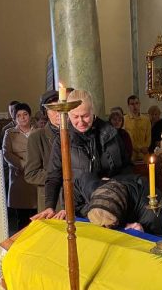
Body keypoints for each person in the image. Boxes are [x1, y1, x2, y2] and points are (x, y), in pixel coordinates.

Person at [33, 89, 131, 220]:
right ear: (68, 114)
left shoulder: (110, 134)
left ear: (93, 111)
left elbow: (126, 168)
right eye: (75, 117)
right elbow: (54, 176)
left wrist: (114, 184)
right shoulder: (63, 139)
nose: (81, 122)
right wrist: (49, 206)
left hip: (109, 204)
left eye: (85, 116)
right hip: (77, 208)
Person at [82, 175, 162, 237]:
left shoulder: (152, 213)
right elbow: (80, 181)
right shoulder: (95, 190)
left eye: (110, 226)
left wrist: (144, 232)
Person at [25, 90, 62, 211]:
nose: (58, 113)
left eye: (61, 108)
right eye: (53, 109)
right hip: (52, 201)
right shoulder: (37, 137)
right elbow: (31, 174)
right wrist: (59, 175)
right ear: (46, 112)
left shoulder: (75, 132)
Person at [3, 102, 37, 232]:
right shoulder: (10, 133)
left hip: (36, 177)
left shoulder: (38, 131)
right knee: (22, 220)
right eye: (19, 115)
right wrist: (22, 164)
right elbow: (6, 153)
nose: (22, 118)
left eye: (25, 114)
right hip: (19, 178)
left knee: (37, 217)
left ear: (30, 116)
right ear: (15, 118)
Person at [123, 94, 151, 162]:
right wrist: (138, 148)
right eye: (132, 104)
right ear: (128, 106)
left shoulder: (146, 119)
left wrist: (146, 147)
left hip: (144, 153)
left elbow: (148, 136)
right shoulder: (124, 120)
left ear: (139, 104)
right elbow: (125, 138)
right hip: (131, 153)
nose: (135, 106)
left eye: (136, 103)